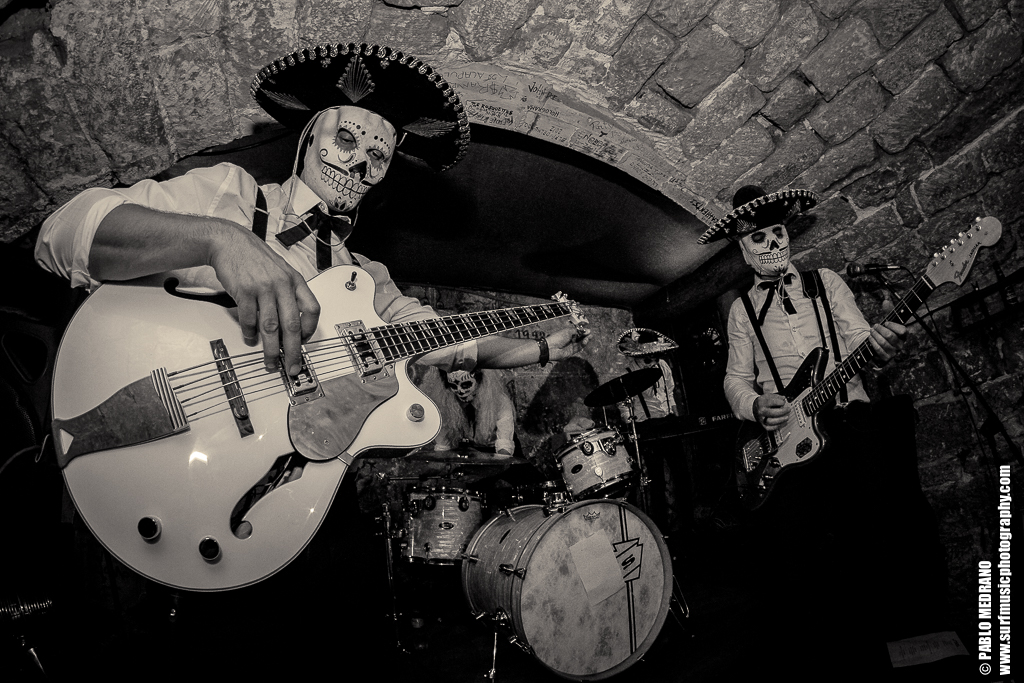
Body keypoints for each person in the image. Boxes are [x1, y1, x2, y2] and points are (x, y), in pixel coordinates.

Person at [33, 42, 588, 676]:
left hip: (308, 503)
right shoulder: (236, 197)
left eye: (379, 157)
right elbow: (61, 234)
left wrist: (541, 344)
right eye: (346, 141)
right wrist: (218, 241)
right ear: (308, 136)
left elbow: (446, 339)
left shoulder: (367, 276)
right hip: (208, 474)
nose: (360, 164)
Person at [701, 185, 948, 654]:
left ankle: (895, 641)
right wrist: (756, 405)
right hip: (790, 442)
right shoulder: (741, 312)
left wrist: (879, 346)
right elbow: (735, 379)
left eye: (778, 233)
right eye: (759, 238)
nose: (772, 244)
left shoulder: (827, 282)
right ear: (743, 247)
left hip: (851, 423)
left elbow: (858, 339)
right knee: (805, 553)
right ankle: (835, 650)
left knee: (877, 533)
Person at [434, 368, 517, 457]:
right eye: (453, 386)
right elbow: (442, 445)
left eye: (465, 385)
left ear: (480, 381)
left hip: (493, 453)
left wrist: (500, 460)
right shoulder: (446, 402)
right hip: (464, 454)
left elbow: (504, 445)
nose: (460, 391)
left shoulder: (499, 401)